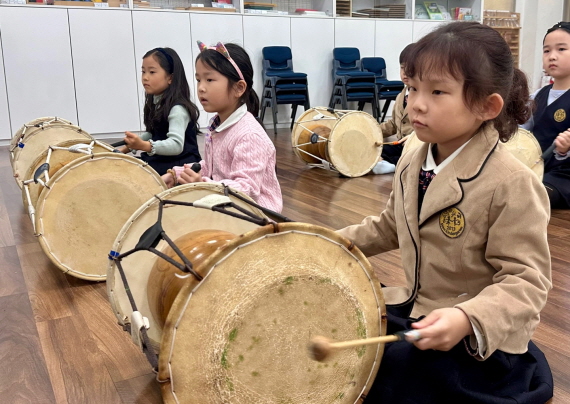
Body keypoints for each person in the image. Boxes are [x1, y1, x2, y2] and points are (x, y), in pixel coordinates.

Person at [338, 22, 553, 403]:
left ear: (487, 106)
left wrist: (467, 318)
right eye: (413, 88)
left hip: (477, 339)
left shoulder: (511, 182)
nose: (416, 103)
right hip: (420, 309)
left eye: (437, 91)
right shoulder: (412, 157)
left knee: (391, 377)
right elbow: (391, 225)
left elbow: (527, 281)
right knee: (341, 331)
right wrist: (328, 243)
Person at [163, 42, 283, 213]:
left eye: (209, 79)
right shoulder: (217, 125)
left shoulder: (249, 135)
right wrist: (177, 174)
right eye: (199, 80)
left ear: (239, 88)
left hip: (257, 219)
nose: (201, 88)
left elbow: (246, 188)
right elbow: (213, 167)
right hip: (228, 207)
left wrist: (202, 185)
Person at [120, 47, 201, 176]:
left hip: (180, 166)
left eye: (152, 72)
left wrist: (144, 146)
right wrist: (125, 149)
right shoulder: (156, 102)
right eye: (143, 71)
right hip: (163, 160)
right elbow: (154, 133)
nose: (145, 77)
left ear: (170, 78)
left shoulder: (178, 109)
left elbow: (176, 145)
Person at [520, 21, 570, 209]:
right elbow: (521, 132)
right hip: (536, 169)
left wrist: (566, 148)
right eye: (547, 51)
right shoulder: (537, 96)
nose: (552, 56)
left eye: (561, 49)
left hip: (564, 177)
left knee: (532, 196)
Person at [373, 43, 415, 175]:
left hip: (416, 145)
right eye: (402, 68)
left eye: (411, 69)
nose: (405, 73)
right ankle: (387, 162)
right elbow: (393, 124)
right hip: (400, 145)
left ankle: (394, 164)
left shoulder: (424, 96)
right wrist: (371, 131)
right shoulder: (400, 96)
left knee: (413, 156)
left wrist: (416, 137)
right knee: (375, 149)